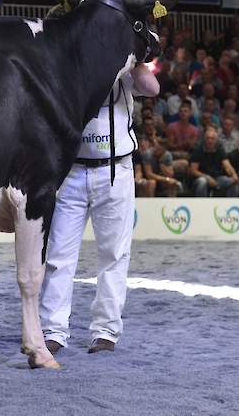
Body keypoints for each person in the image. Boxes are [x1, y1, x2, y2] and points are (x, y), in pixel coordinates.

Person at [40, 41, 160, 355]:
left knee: (114, 255)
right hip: (72, 172)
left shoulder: (124, 67)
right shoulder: (70, 67)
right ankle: (53, 331)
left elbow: (152, 87)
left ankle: (105, 332)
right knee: (58, 256)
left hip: (115, 170)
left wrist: (134, 56)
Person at [189, 128, 239, 197]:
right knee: (202, 182)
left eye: (212, 138)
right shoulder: (198, 150)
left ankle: (230, 205)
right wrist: (207, 177)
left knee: (233, 182)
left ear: (216, 140)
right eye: (208, 138)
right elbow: (193, 171)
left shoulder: (220, 149)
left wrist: (234, 175)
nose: (210, 141)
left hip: (217, 178)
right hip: (201, 178)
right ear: (204, 139)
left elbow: (227, 165)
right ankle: (201, 205)